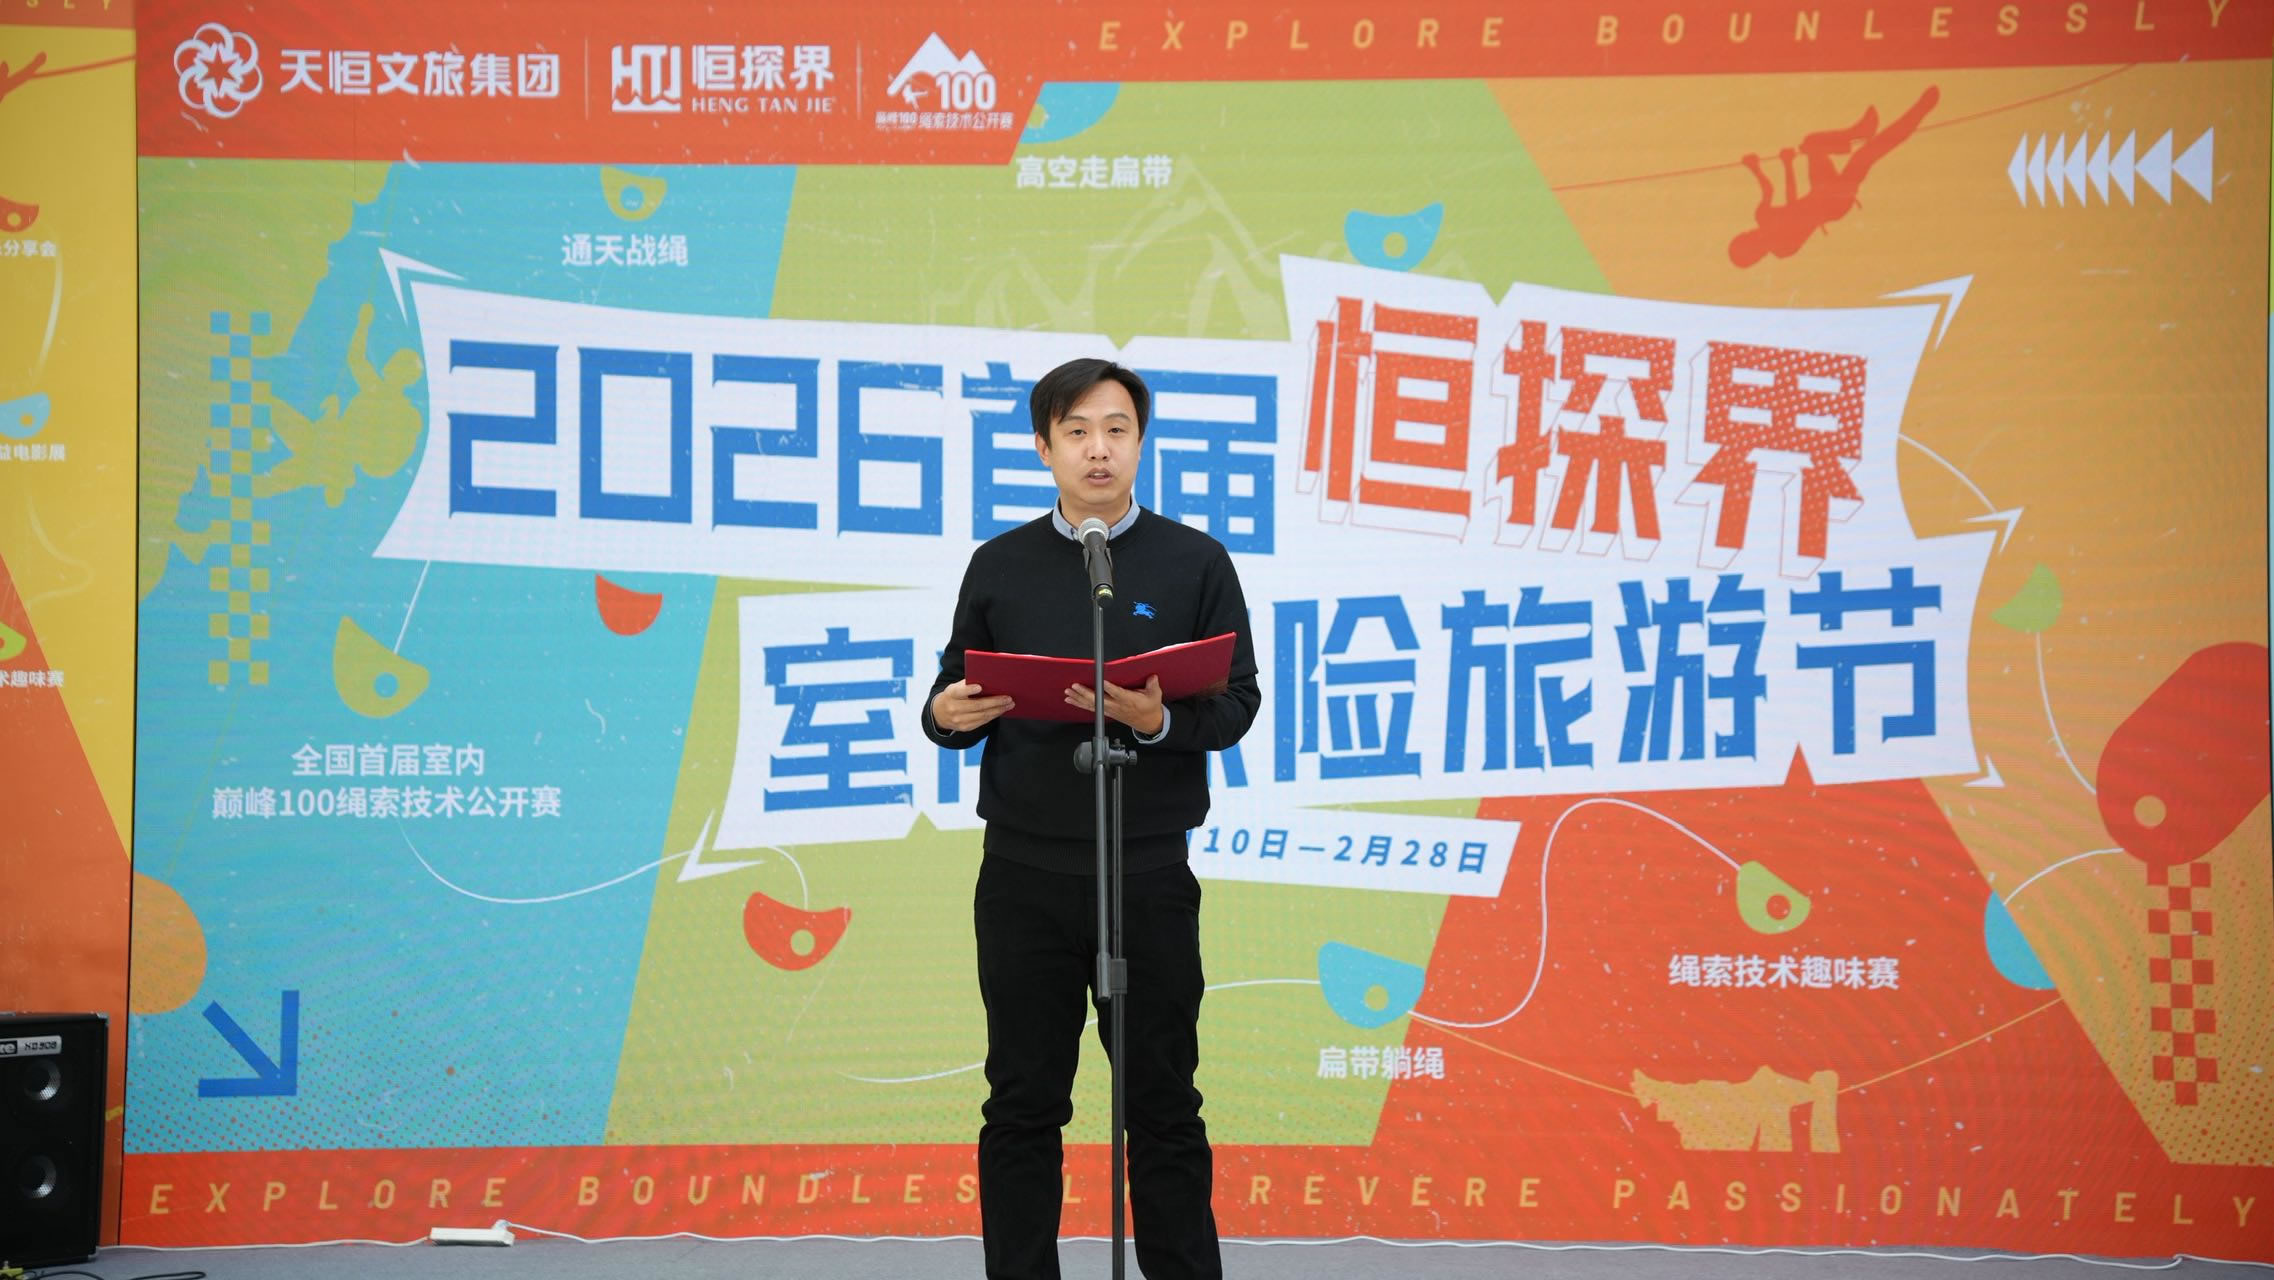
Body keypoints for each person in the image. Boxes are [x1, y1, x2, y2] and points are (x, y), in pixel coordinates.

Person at [921, 358, 1260, 1280]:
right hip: (1024, 877)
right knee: (1022, 1103)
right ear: (1045, 448)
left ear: (1140, 443)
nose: (1098, 449)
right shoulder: (999, 564)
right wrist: (943, 717)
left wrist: (1156, 721)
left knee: (1163, 1102)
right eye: (1076, 432)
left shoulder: (1196, 561)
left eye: (1116, 429)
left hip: (1146, 873)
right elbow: (951, 692)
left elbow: (1237, 704)